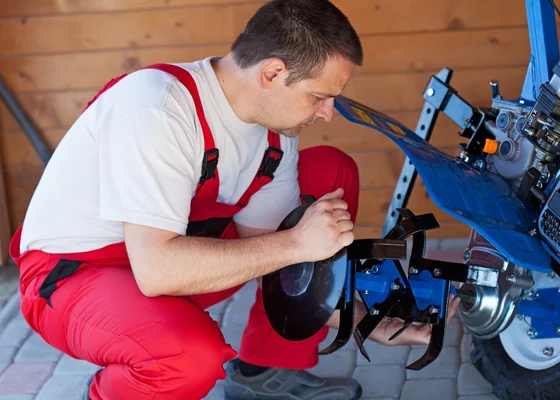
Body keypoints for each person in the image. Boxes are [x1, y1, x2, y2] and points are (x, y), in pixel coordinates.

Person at [9, 0, 460, 399]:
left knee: (330, 173)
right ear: (272, 73)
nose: (327, 112)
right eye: (320, 96)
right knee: (189, 356)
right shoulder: (157, 110)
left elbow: (285, 269)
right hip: (77, 276)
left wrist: (366, 321)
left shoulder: (276, 134)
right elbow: (159, 271)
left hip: (170, 255)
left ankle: (265, 371)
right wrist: (297, 244)